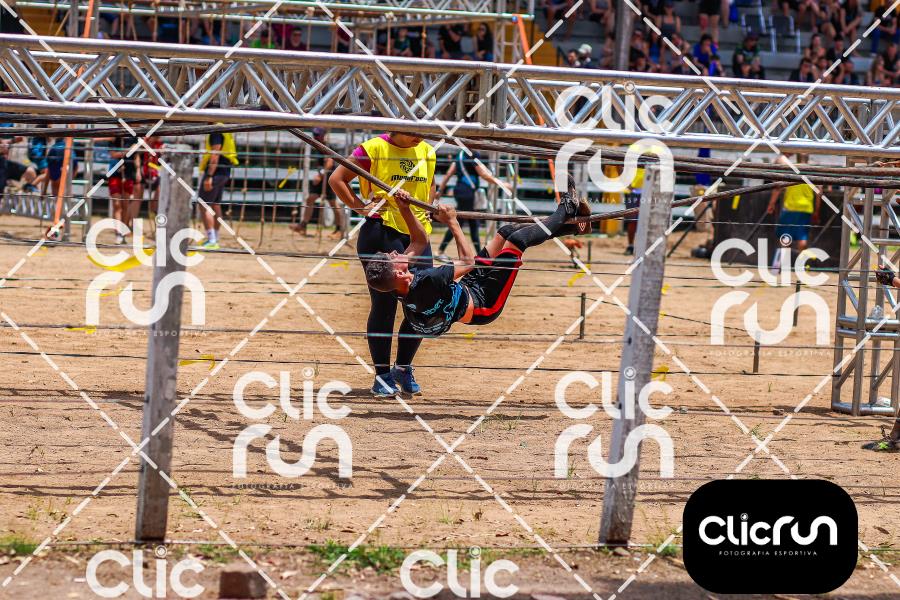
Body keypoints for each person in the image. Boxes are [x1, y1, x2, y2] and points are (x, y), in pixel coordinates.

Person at [364, 184, 587, 337]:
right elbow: (467, 262)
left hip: (467, 288)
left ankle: (575, 227)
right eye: (392, 257)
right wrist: (452, 222)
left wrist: (404, 209)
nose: (395, 252)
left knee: (506, 232)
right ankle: (566, 207)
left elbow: (419, 241)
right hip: (485, 303)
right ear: (399, 272)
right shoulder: (429, 280)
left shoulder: (398, 286)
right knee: (517, 241)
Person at [329, 132, 437, 396]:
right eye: (413, 130)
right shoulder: (373, 148)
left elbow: (430, 184)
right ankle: (382, 375)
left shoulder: (427, 151)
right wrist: (361, 208)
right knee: (384, 304)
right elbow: (337, 179)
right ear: (397, 124)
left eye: (423, 130)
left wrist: (427, 207)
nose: (420, 136)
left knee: (423, 302)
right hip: (381, 231)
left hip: (417, 233)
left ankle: (403, 367)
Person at [435, 149, 504, 259]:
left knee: (470, 222)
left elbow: (449, 173)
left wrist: (440, 190)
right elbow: (483, 174)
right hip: (468, 192)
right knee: (461, 222)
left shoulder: (460, 154)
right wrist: (502, 183)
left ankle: (480, 255)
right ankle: (440, 251)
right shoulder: (473, 154)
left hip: (460, 191)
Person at [767, 154, 820, 273]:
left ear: (796, 158)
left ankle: (777, 268)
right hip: (805, 209)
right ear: (808, 159)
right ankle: (801, 268)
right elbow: (819, 193)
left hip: (789, 209)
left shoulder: (791, 171)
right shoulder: (813, 173)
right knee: (802, 240)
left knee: (785, 239)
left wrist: (771, 204)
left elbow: (778, 188)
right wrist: (816, 211)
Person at [291, 127, 343, 239]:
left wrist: (320, 175)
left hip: (329, 177)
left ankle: (339, 229)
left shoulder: (327, 146)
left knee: (333, 203)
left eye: (318, 135)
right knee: (310, 198)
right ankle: (303, 225)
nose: (316, 137)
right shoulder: (317, 146)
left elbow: (329, 162)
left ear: (323, 135)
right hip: (322, 176)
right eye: (315, 135)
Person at [199, 129, 239, 249]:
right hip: (224, 171)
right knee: (215, 204)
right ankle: (214, 238)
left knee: (204, 204)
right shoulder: (225, 130)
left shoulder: (216, 131)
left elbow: (215, 154)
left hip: (215, 172)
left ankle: (212, 240)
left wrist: (209, 176)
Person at [107, 135, 141, 244]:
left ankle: (123, 232)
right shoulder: (114, 137)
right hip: (114, 173)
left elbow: (136, 156)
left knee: (125, 205)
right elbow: (113, 154)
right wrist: (128, 150)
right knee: (117, 205)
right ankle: (118, 233)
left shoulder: (133, 138)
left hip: (128, 174)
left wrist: (138, 171)